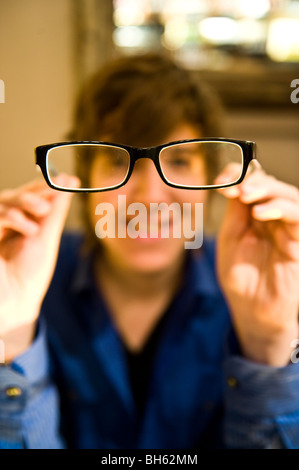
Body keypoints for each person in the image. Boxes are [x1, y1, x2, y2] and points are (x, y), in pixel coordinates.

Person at [0, 52, 299, 450]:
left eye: (177, 160)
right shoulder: (23, 278)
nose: (150, 196)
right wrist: (9, 338)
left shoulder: (266, 284)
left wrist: (267, 344)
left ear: (212, 179)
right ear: (83, 177)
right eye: (117, 159)